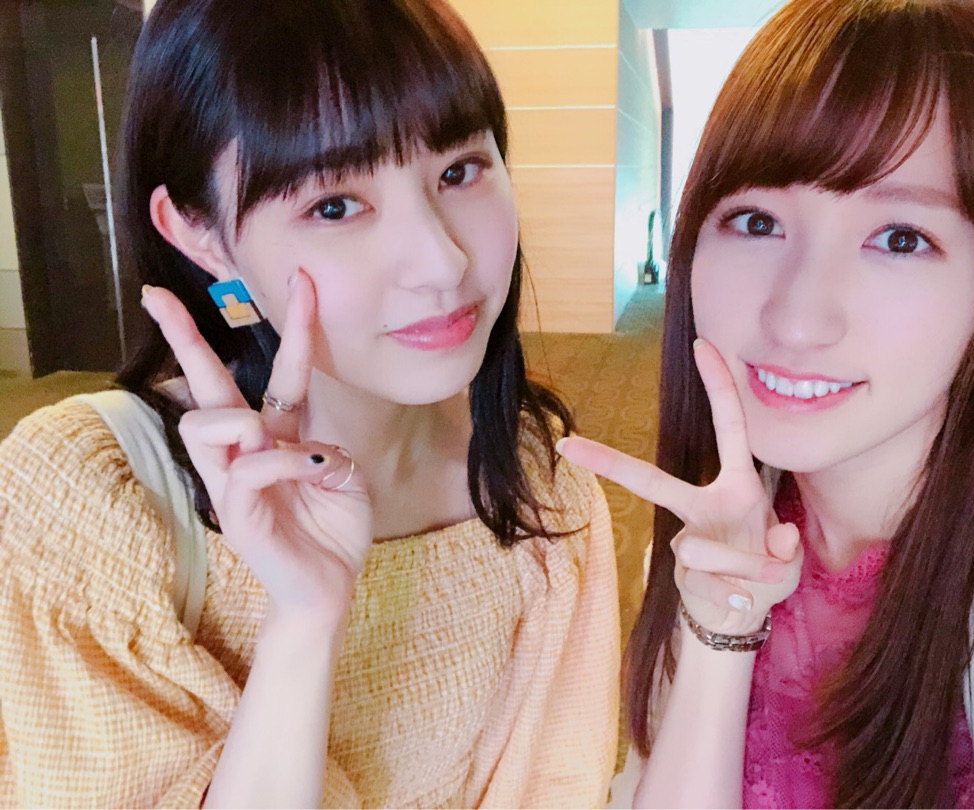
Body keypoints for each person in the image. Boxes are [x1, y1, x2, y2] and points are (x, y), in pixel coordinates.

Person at [0, 0, 620, 806]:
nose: (441, 262)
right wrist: (302, 625)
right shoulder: (84, 504)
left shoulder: (542, 485)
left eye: (459, 170)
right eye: (334, 205)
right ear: (199, 234)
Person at [559, 0, 974, 807]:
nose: (796, 318)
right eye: (756, 220)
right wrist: (720, 624)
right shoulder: (725, 514)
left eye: (900, 238)